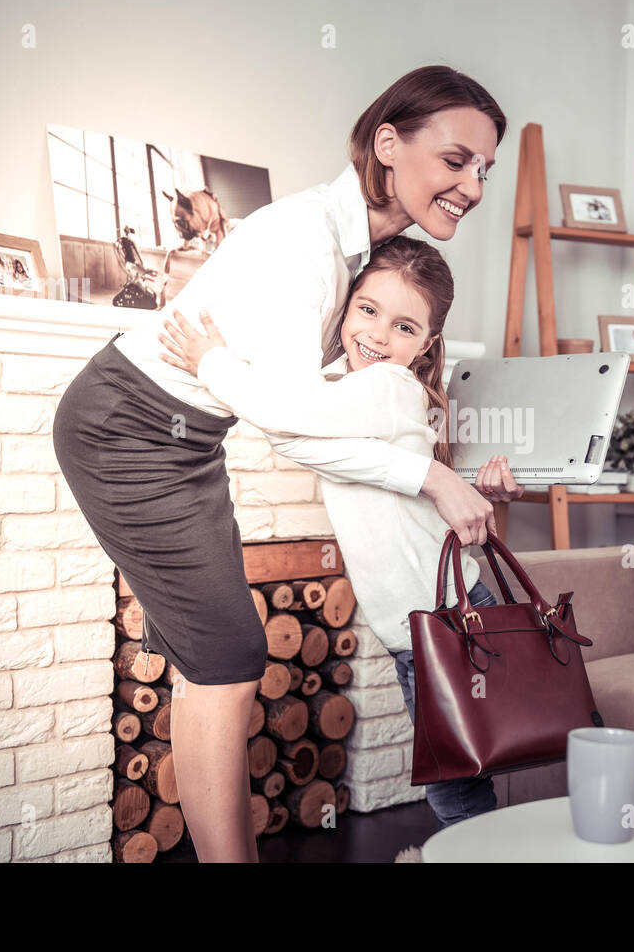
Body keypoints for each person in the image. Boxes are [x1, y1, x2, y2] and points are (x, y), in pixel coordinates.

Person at [51, 65, 505, 862]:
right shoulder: (309, 241)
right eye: (458, 158)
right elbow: (294, 425)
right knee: (229, 658)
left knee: (213, 660)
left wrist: (457, 467)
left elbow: (341, 408)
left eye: (484, 171)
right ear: (388, 144)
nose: (472, 184)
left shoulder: (363, 249)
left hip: (187, 439)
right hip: (128, 430)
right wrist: (433, 475)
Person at [158, 235, 523, 829]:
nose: (378, 336)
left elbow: (280, 418)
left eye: (404, 329)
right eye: (368, 311)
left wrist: (210, 360)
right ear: (346, 305)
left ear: (427, 344)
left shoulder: (385, 387)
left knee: (456, 782)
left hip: (441, 620)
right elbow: (335, 450)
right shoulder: (352, 389)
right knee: (464, 770)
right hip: (429, 618)